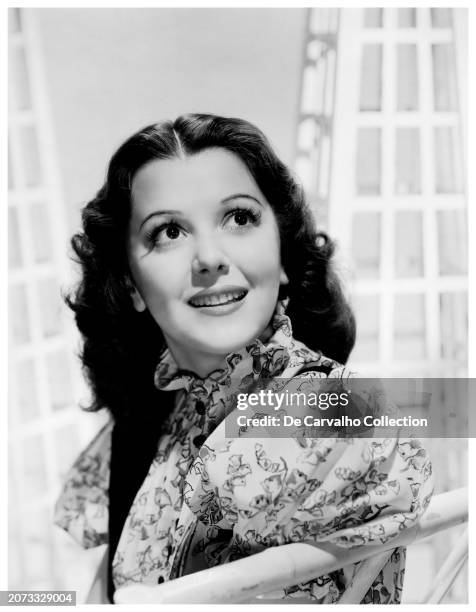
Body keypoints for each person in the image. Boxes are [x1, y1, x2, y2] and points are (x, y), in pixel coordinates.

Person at [54, 113, 433, 604]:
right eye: (168, 232)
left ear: (282, 257)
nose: (209, 258)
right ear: (131, 285)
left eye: (239, 217)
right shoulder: (144, 420)